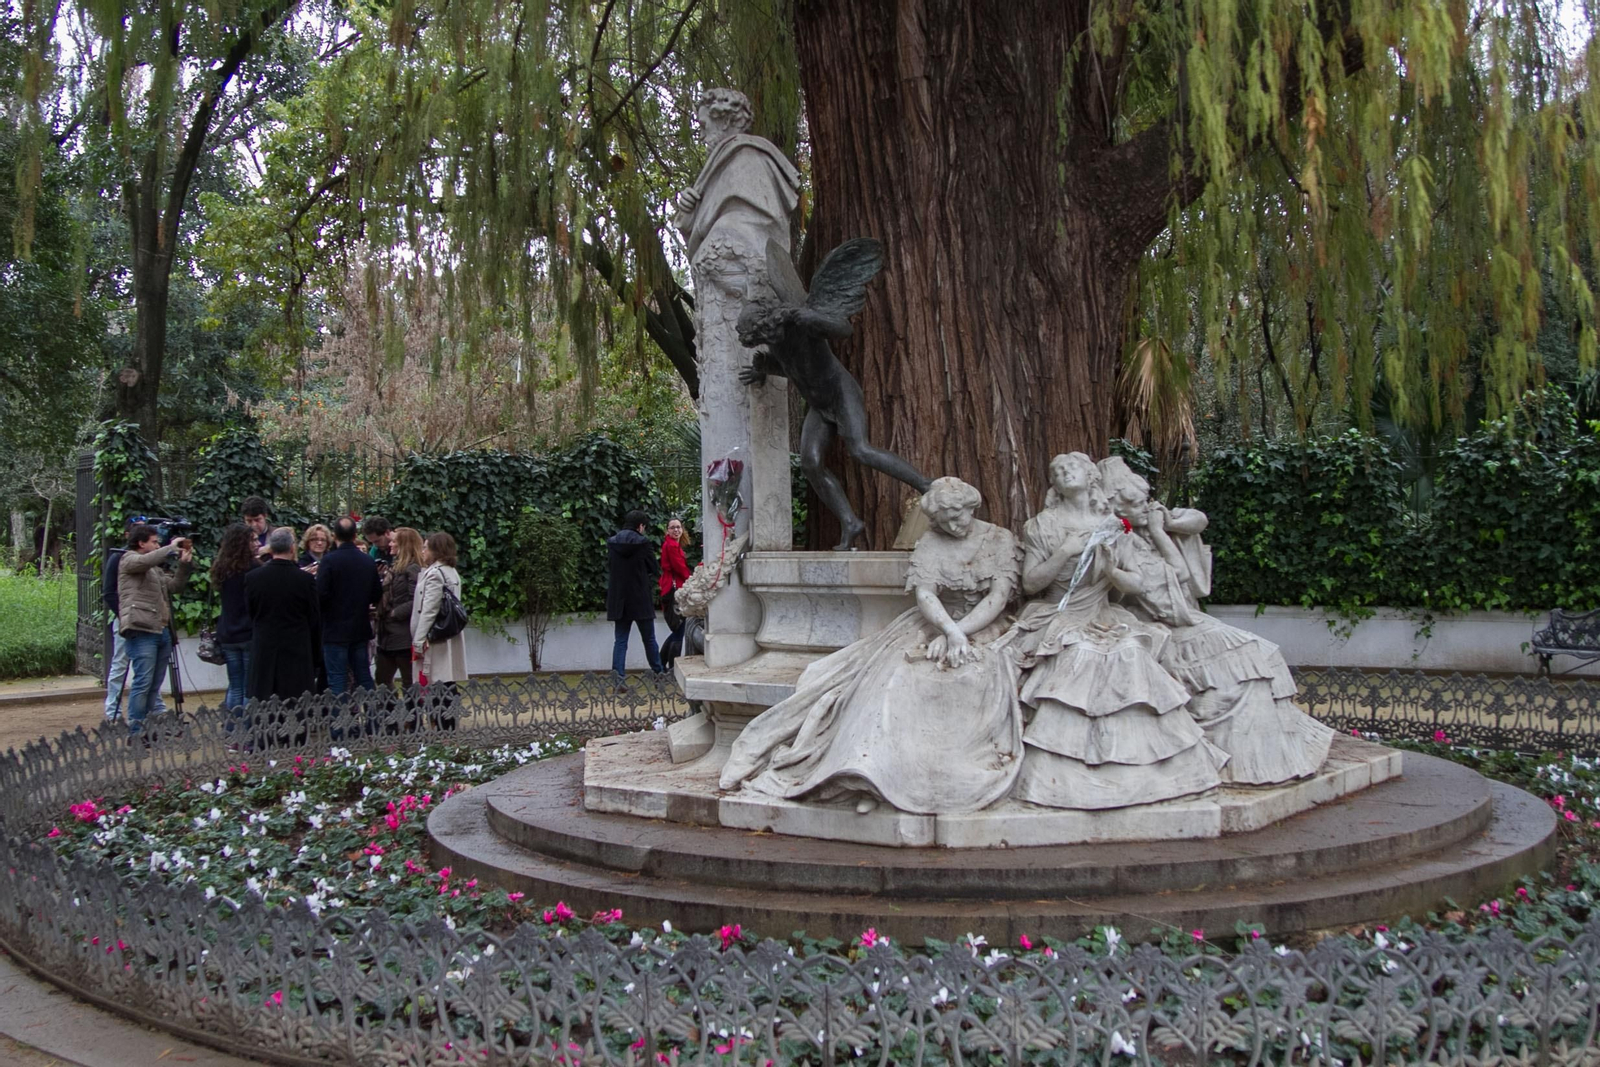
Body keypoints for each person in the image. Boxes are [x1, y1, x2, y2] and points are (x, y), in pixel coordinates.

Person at [721, 478, 1022, 814]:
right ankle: (868, 774)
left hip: (983, 627)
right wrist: (947, 629)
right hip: (934, 625)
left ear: (971, 508)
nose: (952, 526)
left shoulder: (998, 540)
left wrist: (958, 634)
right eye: (943, 521)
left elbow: (998, 597)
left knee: (964, 680)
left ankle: (933, 782)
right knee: (887, 681)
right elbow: (925, 594)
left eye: (957, 517)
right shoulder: (932, 541)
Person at [995, 453, 1224, 810]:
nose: (1064, 471)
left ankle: (1138, 772)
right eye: (1057, 470)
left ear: (1091, 477)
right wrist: (1064, 552)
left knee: (1130, 653)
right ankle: (1062, 777)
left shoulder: (1115, 527)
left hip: (1103, 613)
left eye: (1072, 466)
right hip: (1058, 614)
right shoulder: (1042, 525)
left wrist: (1114, 573)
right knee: (1078, 656)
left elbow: (1136, 582)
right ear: (1054, 485)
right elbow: (1030, 583)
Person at [1098, 456, 1335, 784]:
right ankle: (1250, 763)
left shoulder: (1146, 528)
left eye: (1147, 500)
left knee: (1263, 652)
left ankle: (1273, 755)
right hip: (1158, 624)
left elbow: (1198, 519)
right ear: (1118, 509)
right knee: (1246, 658)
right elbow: (1176, 580)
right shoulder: (1124, 541)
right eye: (1138, 504)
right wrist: (1158, 531)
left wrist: (1166, 524)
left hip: (1183, 618)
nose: (1148, 508)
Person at [116, 524, 193, 738]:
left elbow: (174, 587)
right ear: (141, 543)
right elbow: (143, 562)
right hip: (141, 629)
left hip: (160, 629)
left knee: (153, 685)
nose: (158, 545)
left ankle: (150, 729)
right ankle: (136, 731)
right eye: (154, 542)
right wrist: (170, 548)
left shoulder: (155, 569)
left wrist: (184, 565)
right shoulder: (128, 559)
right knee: (143, 682)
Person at [102, 522, 168, 725]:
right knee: (122, 666)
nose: (157, 544)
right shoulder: (121, 557)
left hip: (151, 621)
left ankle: (156, 712)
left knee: (149, 676)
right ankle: (114, 712)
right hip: (130, 620)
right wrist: (125, 616)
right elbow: (109, 592)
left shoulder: (151, 562)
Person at [245, 527, 322, 701]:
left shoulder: (253, 578)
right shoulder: (305, 580)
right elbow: (313, 617)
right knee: (295, 703)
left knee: (265, 703)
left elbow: (252, 612)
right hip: (296, 648)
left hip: (265, 646)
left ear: (271, 549)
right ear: (292, 548)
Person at [315, 517, 382, 694]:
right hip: (359, 627)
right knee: (364, 676)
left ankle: (340, 712)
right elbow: (376, 593)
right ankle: (372, 711)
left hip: (334, 629)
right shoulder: (367, 561)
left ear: (334, 536)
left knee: (337, 679)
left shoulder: (329, 561)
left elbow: (320, 594)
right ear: (355, 535)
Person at [412, 532, 468, 726]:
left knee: (438, 681)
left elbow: (429, 609)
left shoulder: (436, 573)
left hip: (435, 635)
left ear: (436, 550)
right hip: (446, 633)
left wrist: (419, 639)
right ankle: (447, 724)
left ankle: (444, 725)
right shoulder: (450, 571)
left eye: (425, 547)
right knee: (445, 680)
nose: (422, 551)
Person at [606, 509, 664, 685]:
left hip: (619, 599)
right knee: (649, 639)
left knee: (620, 640)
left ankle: (618, 680)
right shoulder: (643, 543)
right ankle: (659, 675)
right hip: (640, 597)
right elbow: (654, 568)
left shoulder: (612, 543)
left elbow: (610, 566)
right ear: (640, 526)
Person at [210, 523, 259, 715]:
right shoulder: (254, 568)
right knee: (248, 686)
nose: (257, 544)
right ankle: (246, 728)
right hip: (248, 633)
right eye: (253, 540)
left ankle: (232, 727)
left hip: (228, 634)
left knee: (235, 684)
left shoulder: (221, 568)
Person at [376, 527, 424, 690]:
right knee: (382, 679)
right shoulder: (394, 567)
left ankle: (412, 708)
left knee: (409, 682)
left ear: (404, 545)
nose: (390, 544)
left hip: (403, 634)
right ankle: (392, 705)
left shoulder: (412, 568)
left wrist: (394, 613)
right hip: (387, 633)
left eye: (394, 541)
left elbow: (416, 600)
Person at [658, 517, 692, 668]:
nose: (676, 530)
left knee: (678, 629)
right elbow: (680, 568)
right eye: (672, 527)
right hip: (675, 589)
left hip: (671, 587)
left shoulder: (672, 545)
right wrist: (692, 579)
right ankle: (671, 668)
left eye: (678, 527)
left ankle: (661, 665)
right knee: (679, 629)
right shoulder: (672, 546)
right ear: (667, 530)